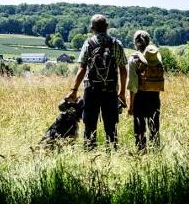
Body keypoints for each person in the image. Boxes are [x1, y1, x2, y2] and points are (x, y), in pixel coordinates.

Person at [66, 14, 127, 149]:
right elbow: (123, 70)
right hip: (110, 90)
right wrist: (122, 93)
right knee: (111, 126)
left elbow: (82, 69)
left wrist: (74, 90)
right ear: (107, 27)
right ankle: (112, 153)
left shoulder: (88, 43)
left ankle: (90, 152)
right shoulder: (116, 44)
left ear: (92, 28)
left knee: (89, 125)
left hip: (91, 90)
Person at [127, 30, 164, 152]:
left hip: (139, 97)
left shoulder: (133, 58)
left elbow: (132, 85)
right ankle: (155, 152)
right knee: (154, 126)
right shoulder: (156, 56)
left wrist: (131, 105)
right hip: (154, 95)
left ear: (135, 42)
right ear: (148, 41)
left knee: (139, 128)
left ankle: (141, 152)